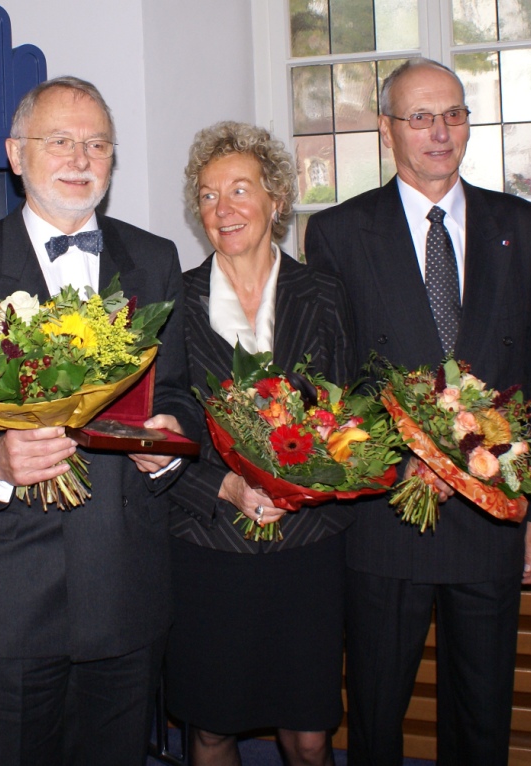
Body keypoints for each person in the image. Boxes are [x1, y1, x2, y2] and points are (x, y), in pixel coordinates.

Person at [0, 76, 197, 766]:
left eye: (98, 144)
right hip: (11, 596)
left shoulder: (154, 260)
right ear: (16, 154)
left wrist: (170, 446)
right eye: (61, 140)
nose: (81, 158)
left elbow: (186, 393)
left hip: (127, 591)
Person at [304, 58, 531, 765]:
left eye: (452, 113)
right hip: (386, 519)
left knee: (482, 719)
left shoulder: (526, 229)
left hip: (494, 513)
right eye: (420, 116)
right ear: (386, 128)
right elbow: (332, 390)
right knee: (374, 716)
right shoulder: (335, 234)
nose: (439, 131)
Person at [164, 122, 354, 766]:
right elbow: (158, 432)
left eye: (240, 190)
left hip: (307, 550)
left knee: (308, 735)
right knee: (212, 729)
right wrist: (224, 486)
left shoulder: (325, 296)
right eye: (210, 196)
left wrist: (309, 481)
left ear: (276, 200)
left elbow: (350, 417)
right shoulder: (175, 303)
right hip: (208, 547)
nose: (224, 209)